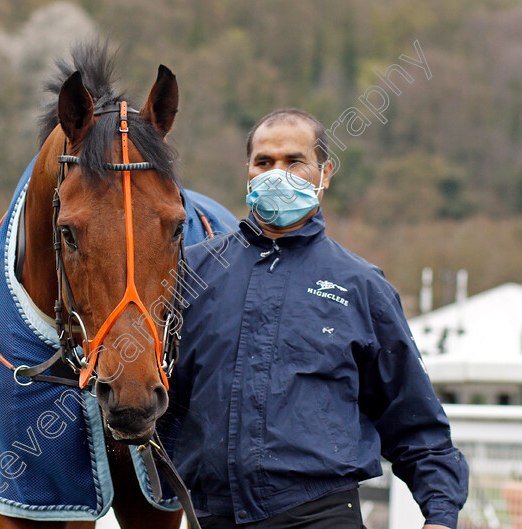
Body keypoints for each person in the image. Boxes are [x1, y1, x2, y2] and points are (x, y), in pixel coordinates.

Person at [168, 108, 469, 529]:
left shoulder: (360, 285)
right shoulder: (191, 274)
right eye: (264, 162)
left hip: (320, 512)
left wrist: (440, 514)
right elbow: (156, 399)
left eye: (295, 162)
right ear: (248, 172)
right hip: (212, 514)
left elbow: (412, 415)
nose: (277, 173)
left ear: (325, 173)